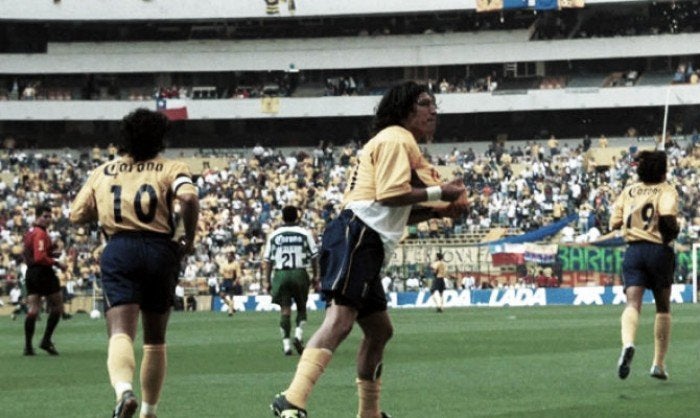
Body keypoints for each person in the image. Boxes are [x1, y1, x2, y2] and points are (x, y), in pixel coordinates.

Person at [270, 81, 468, 418]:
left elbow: (396, 207)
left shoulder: (396, 141)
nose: (433, 110)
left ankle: (370, 414)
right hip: (358, 233)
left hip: (365, 235)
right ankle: (291, 399)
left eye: (435, 104)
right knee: (341, 320)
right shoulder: (397, 137)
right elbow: (390, 195)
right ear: (405, 109)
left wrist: (439, 209)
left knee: (380, 330)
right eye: (424, 103)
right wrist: (440, 193)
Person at [70, 108, 199, 418]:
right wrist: (187, 238)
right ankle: (148, 411)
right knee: (155, 339)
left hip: (120, 249)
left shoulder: (103, 171)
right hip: (160, 250)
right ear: (160, 137)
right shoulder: (172, 167)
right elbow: (189, 199)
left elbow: (76, 215)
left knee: (120, 331)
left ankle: (123, 391)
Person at [609, 150, 679, 381]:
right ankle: (658, 364)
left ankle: (628, 343)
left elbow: (614, 222)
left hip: (633, 251)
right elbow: (668, 216)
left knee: (632, 303)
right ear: (662, 170)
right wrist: (671, 233)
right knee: (662, 307)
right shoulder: (666, 189)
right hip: (658, 250)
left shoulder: (628, 191)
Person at [263, 205, 319, 356]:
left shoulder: (275, 235)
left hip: (281, 274)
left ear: (282, 217)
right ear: (297, 217)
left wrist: (267, 280)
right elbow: (314, 256)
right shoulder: (304, 233)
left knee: (285, 310)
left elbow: (267, 260)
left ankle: (286, 345)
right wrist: (316, 276)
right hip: (299, 273)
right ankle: (298, 336)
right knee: (302, 307)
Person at [22, 203, 68, 356]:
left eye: (50, 217)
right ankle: (46, 340)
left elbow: (31, 253)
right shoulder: (40, 233)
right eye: (45, 216)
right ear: (37, 216)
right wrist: (57, 263)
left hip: (31, 273)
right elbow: (40, 257)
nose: (48, 219)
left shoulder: (30, 232)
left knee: (33, 309)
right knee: (57, 306)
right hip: (43, 272)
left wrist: (51, 251)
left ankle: (28, 346)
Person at [219, 252, 242, 316]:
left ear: (232, 257)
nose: (228, 257)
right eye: (227, 256)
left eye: (229, 256)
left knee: (231, 296)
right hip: (225, 280)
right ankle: (231, 307)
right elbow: (221, 272)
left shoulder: (236, 264)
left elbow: (238, 274)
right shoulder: (224, 264)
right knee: (222, 295)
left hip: (232, 280)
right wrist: (221, 279)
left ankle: (230, 312)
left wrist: (235, 281)